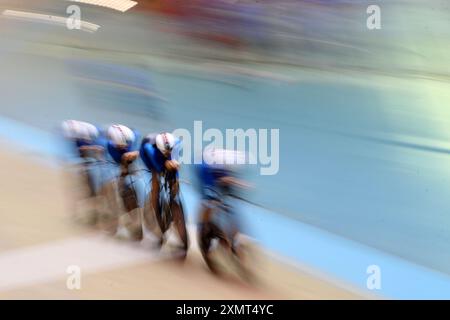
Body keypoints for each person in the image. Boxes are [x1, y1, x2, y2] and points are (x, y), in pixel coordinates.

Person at [140, 132, 187, 251]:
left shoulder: (175, 145)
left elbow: (174, 161)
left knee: (174, 183)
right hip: (149, 156)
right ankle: (155, 213)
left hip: (166, 148)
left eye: (169, 152)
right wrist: (164, 164)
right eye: (165, 152)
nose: (168, 154)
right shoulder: (149, 149)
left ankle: (174, 211)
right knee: (156, 179)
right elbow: (159, 165)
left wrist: (175, 177)